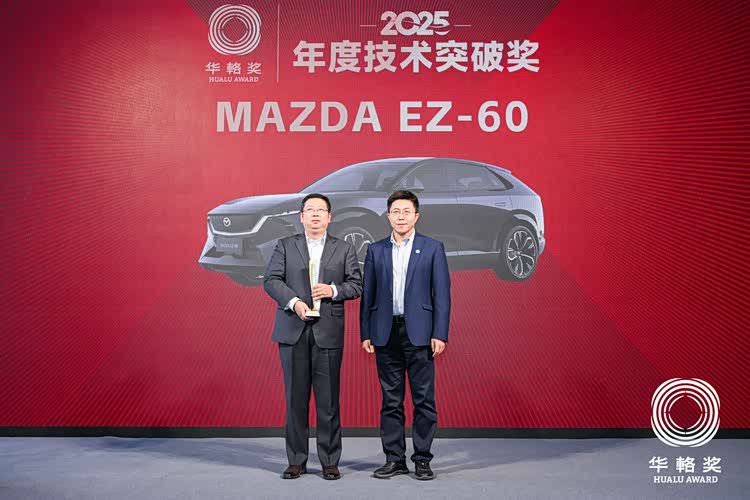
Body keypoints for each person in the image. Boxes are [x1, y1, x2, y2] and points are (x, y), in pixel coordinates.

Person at [263, 193, 362, 480]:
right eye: (310, 210)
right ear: (301, 216)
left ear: (330, 217)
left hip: (328, 332)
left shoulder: (344, 248)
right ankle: (296, 460)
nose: (315, 214)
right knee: (295, 400)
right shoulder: (285, 245)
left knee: (328, 402)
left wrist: (333, 290)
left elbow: (357, 284)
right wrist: (294, 303)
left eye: (321, 210)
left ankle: (329, 461)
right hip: (292, 331)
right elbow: (271, 280)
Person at [359, 190, 451, 481]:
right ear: (388, 216)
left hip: (421, 334)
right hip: (385, 332)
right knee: (391, 400)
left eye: (406, 212)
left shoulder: (433, 248)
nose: (401, 217)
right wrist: (366, 332)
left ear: (416, 216)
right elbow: (368, 295)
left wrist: (440, 333)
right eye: (396, 212)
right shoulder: (375, 250)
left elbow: (442, 296)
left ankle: (422, 459)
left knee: (423, 400)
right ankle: (394, 459)